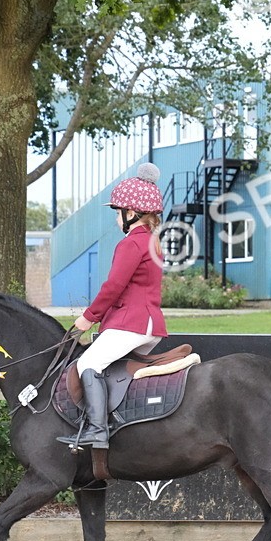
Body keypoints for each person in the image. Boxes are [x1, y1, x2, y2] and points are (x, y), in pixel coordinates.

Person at [58, 163, 167, 449]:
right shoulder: (153, 243)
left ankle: (96, 430)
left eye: (118, 213)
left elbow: (113, 287)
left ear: (131, 213)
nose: (117, 220)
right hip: (149, 325)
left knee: (88, 363)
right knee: (109, 369)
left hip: (131, 324)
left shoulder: (131, 244)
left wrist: (88, 317)